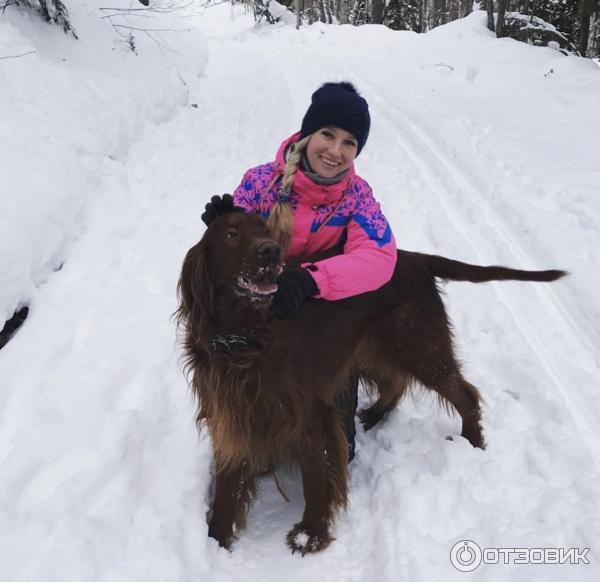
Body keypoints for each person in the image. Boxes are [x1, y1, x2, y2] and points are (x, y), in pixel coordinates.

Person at [201, 82, 397, 462]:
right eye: (327, 134)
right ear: (308, 134)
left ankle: (332, 433)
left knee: (333, 440)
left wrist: (312, 278)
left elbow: (379, 256)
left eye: (350, 143)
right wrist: (223, 226)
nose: (336, 151)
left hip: (322, 307)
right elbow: (234, 244)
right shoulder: (262, 182)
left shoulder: (357, 196)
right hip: (260, 303)